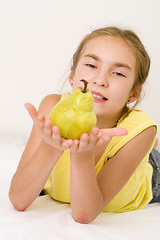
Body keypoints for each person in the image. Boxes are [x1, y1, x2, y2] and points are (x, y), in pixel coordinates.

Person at [9, 26, 158, 224]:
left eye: (118, 74)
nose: (100, 80)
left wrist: (82, 156)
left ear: (133, 94)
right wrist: (50, 146)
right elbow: (18, 200)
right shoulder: (52, 108)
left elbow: (84, 215)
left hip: (151, 174)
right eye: (91, 66)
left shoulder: (139, 131)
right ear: (72, 76)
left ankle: (149, 151)